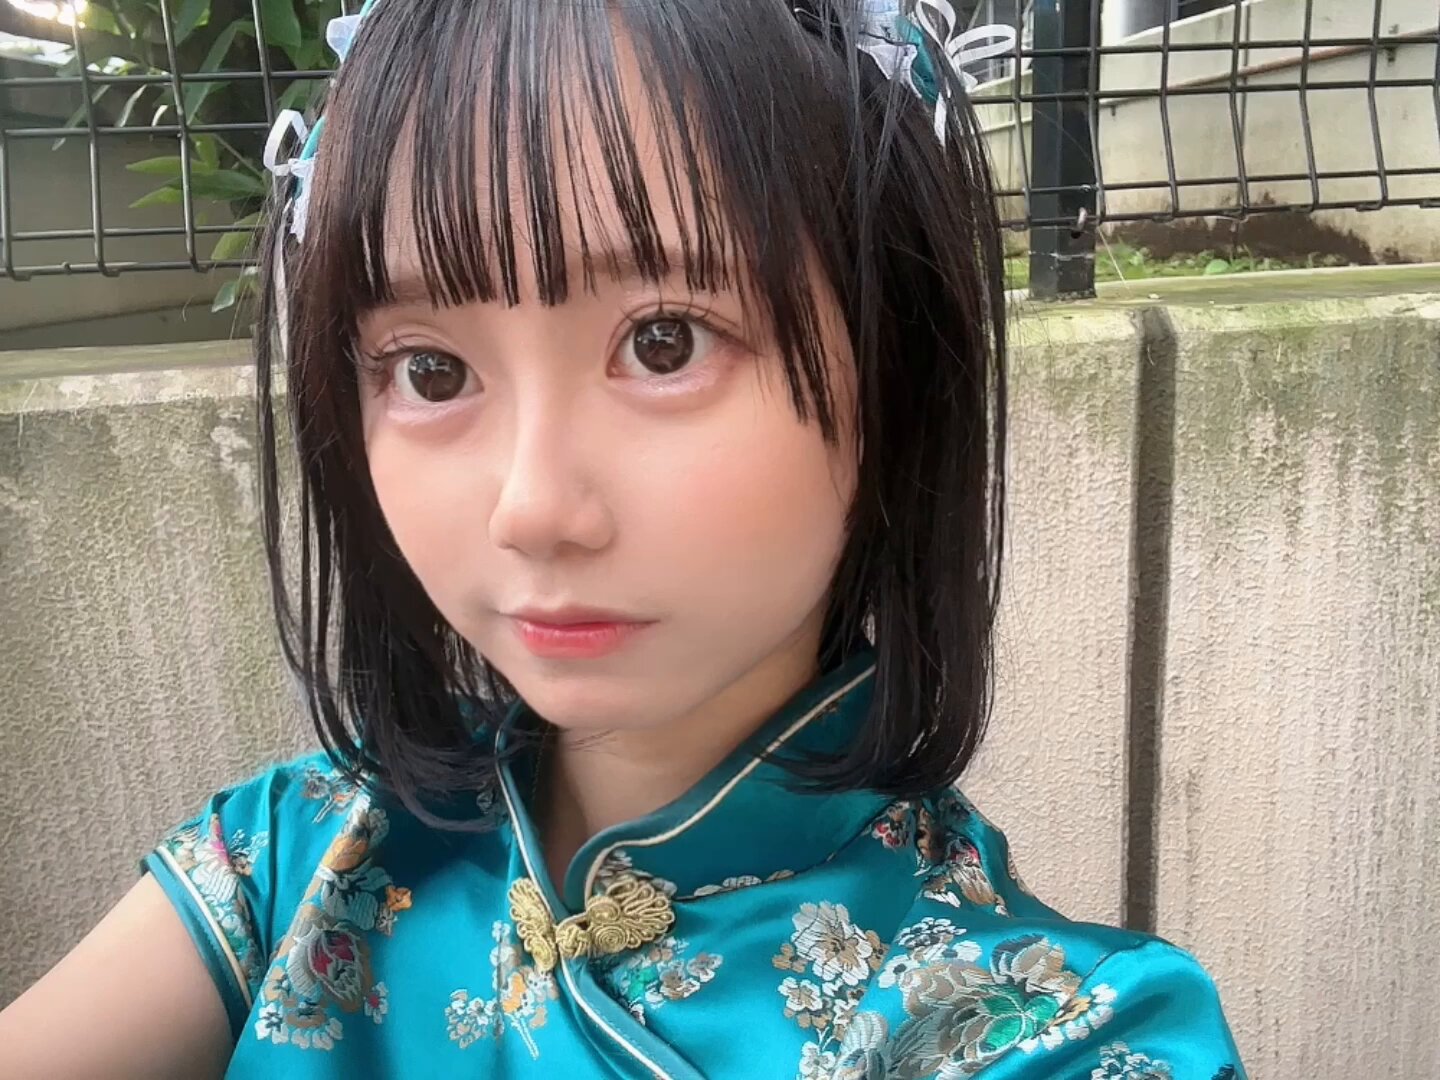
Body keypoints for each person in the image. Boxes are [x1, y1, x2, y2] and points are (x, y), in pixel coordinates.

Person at [0, 1, 1246, 1077]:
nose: (532, 508)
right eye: (430, 369)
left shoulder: (1054, 1037)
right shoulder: (297, 856)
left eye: (664, 342)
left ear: (895, 369)